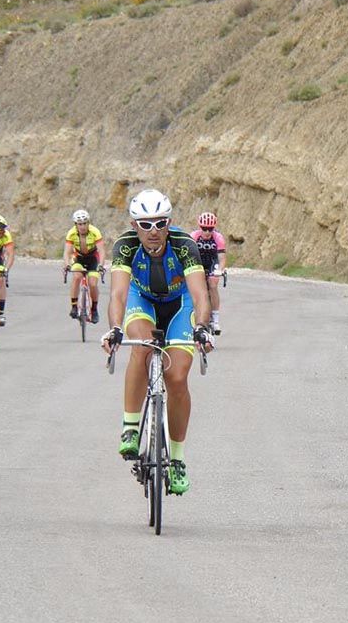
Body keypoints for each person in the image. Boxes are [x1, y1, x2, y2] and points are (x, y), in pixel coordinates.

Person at [101, 189, 213, 496]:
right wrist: (114, 329)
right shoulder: (125, 246)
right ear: (134, 225)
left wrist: (203, 327)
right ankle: (130, 427)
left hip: (180, 304)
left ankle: (176, 460)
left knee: (176, 377)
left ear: (169, 223)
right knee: (142, 346)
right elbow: (118, 295)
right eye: (145, 224)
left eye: (160, 223)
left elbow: (201, 294)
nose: (153, 231)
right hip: (143, 300)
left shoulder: (184, 245)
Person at [63, 208, 105, 324]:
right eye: (80, 224)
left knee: (92, 284)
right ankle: (74, 306)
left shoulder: (95, 232)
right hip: (79, 257)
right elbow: (67, 252)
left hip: (93, 258)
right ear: (76, 224)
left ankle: (94, 309)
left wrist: (101, 265)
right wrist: (67, 265)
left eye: (85, 223)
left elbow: (101, 251)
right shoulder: (71, 233)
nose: (82, 226)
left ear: (88, 223)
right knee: (77, 277)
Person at [190, 212, 227, 335]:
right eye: (204, 228)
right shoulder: (194, 236)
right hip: (198, 263)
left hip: (212, 263)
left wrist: (220, 270)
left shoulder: (218, 238)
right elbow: (188, 256)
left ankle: (215, 320)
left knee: (212, 284)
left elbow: (222, 258)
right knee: (197, 289)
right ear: (199, 227)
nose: (207, 232)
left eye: (210, 229)